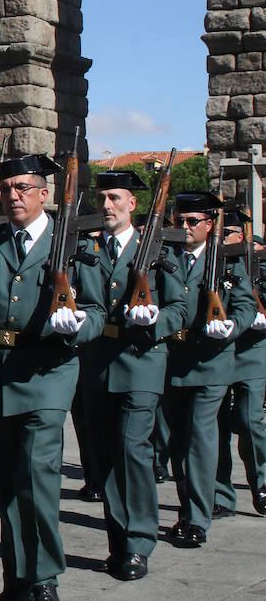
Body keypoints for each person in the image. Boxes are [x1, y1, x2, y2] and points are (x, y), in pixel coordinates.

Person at [0, 155, 106, 600]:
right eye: (6, 189)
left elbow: (98, 311)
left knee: (38, 476)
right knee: (6, 483)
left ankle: (43, 578)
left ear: (44, 194)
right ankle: (16, 579)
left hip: (47, 372)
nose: (12, 197)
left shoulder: (72, 243)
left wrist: (78, 325)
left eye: (23, 188)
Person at [69, 170, 186, 581]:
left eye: (115, 198)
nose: (107, 206)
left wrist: (155, 318)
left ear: (132, 204)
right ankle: (119, 542)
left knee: (131, 449)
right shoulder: (89, 248)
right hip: (99, 364)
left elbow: (181, 308)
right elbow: (82, 298)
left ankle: (137, 543)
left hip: (142, 362)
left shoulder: (158, 248)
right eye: (102, 199)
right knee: (104, 456)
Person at [163, 192, 255, 549]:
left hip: (212, 360)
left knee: (200, 438)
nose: (184, 228)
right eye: (179, 221)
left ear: (209, 224)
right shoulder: (164, 258)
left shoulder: (228, 262)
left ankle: (199, 518)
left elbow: (246, 305)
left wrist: (232, 325)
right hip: (173, 359)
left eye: (192, 221)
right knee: (178, 440)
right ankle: (188, 511)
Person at [215, 209, 266, 516]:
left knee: (250, 420)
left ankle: (261, 482)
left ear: (243, 236)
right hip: (217, 350)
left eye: (231, 231)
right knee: (216, 426)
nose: (225, 238)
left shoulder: (260, 264)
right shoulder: (214, 262)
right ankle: (221, 495)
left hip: (251, 351)